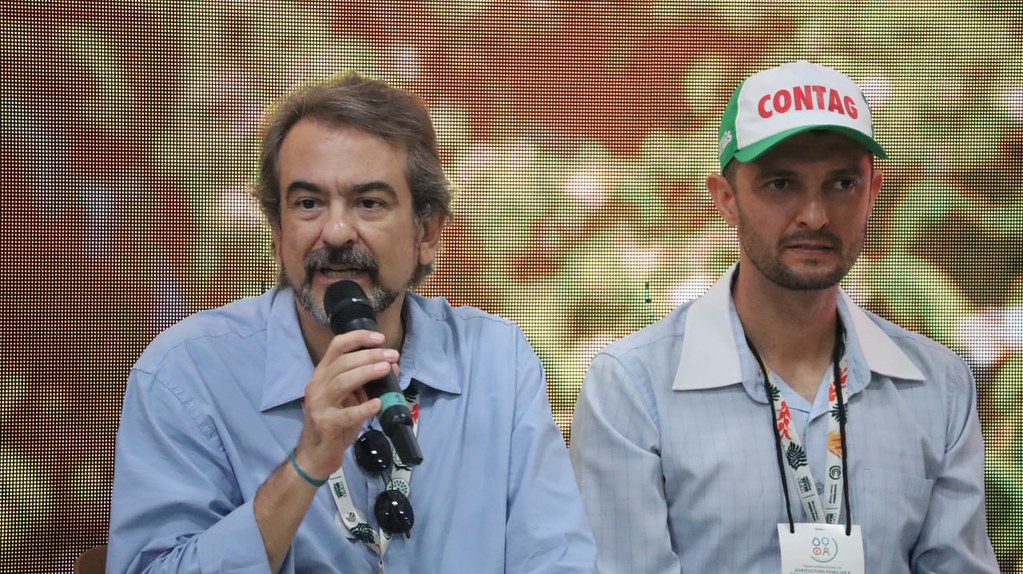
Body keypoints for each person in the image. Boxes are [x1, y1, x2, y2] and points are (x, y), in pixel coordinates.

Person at [108, 72, 596, 573]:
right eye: (308, 204)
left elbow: (558, 560)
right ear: (277, 232)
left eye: (368, 203)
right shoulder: (187, 372)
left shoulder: (495, 359)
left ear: (426, 233)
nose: (336, 232)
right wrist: (306, 464)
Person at [569, 61, 999, 573]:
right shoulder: (633, 387)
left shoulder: (939, 385)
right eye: (780, 184)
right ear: (725, 198)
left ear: (872, 193)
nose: (814, 215)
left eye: (841, 183)